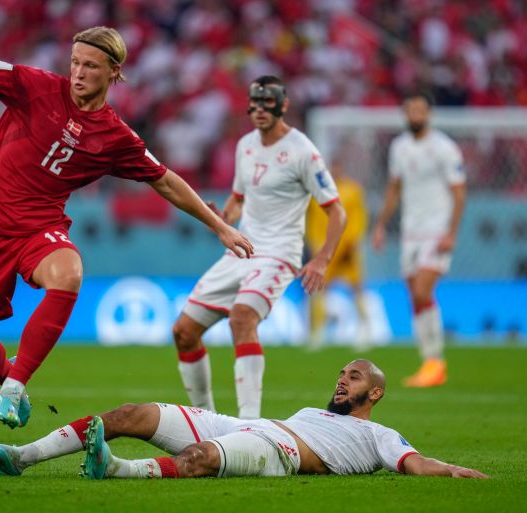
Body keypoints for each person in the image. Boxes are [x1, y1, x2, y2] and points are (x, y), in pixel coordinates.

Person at [0, 26, 253, 430]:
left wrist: (219, 226)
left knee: (69, 272)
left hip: (40, 228)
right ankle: (9, 379)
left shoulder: (115, 136)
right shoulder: (36, 86)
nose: (78, 72)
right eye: (74, 62)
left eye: (89, 65)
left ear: (113, 71)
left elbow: (164, 180)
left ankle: (15, 384)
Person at [0, 359, 487, 480]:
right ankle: (23, 455)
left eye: (352, 378)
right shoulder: (314, 410)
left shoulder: (378, 434)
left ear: (374, 392)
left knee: (198, 461)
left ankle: (119, 470)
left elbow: (414, 463)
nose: (341, 381)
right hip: (248, 425)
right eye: (340, 374)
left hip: (279, 454)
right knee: (130, 412)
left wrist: (453, 471)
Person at [170, 76, 347, 418]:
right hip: (243, 248)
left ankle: (249, 427)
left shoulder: (303, 151)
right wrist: (223, 217)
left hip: (280, 253)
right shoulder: (245, 145)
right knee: (183, 332)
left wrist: (322, 259)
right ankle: (207, 421)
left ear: (283, 106)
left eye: (268, 103)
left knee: (242, 318)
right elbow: (238, 199)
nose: (260, 110)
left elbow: (336, 210)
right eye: (255, 103)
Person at [372, 92, 466, 387]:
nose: (416, 115)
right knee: (415, 295)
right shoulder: (399, 147)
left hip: (436, 230)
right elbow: (394, 188)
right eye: (411, 110)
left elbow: (459, 192)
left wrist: (451, 232)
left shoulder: (444, 148)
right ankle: (429, 361)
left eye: (420, 110)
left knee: (423, 291)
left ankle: (435, 361)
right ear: (405, 114)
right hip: (410, 233)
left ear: (429, 114)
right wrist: (381, 225)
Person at [305, 159, 369, 350]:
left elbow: (359, 219)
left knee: (356, 287)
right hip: (325, 249)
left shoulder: (353, 190)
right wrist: (315, 244)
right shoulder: (317, 193)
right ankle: (317, 332)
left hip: (347, 248)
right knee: (318, 288)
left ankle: (365, 330)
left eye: (337, 166)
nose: (334, 170)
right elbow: (313, 222)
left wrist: (352, 242)